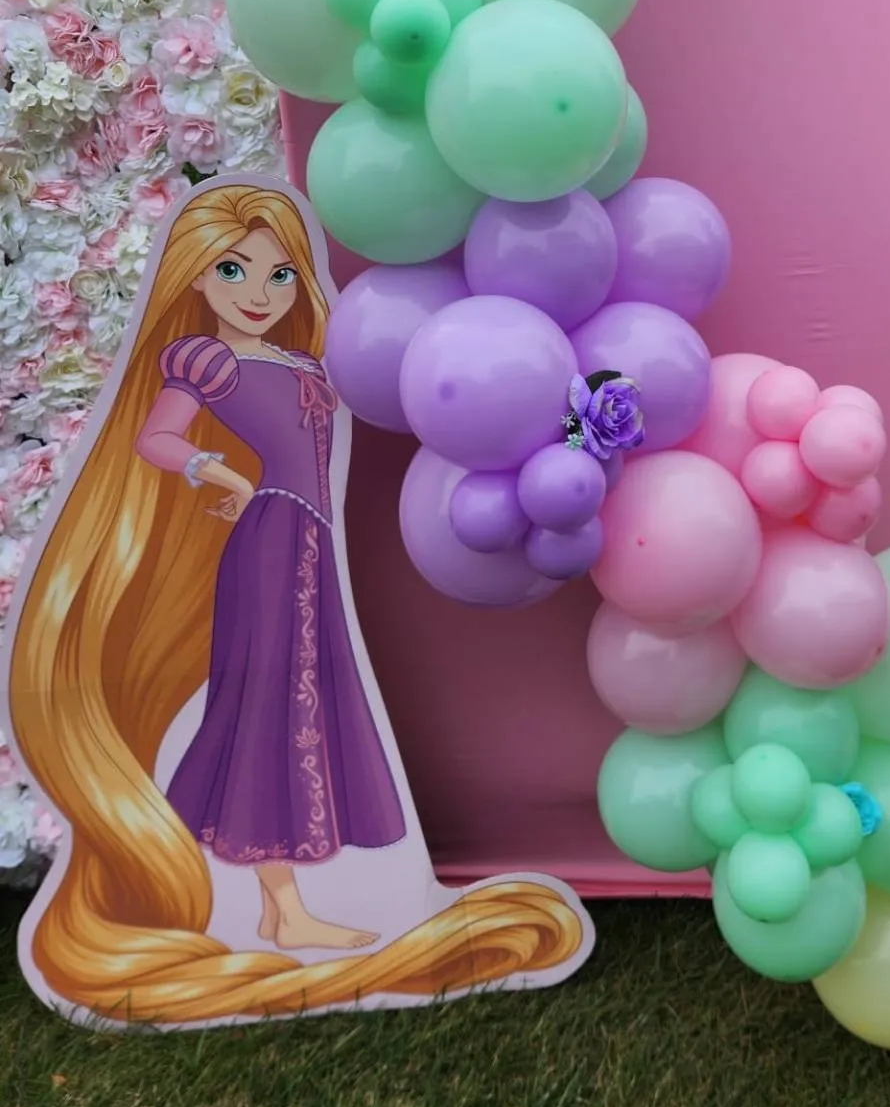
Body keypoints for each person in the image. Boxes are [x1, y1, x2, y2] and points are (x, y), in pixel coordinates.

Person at [9, 183, 584, 1024]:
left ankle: (286, 909)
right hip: (272, 536)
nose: (258, 291)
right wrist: (215, 469)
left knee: (309, 702)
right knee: (271, 707)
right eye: (234, 270)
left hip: (309, 539)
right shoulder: (208, 361)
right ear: (197, 276)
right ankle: (284, 905)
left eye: (279, 274)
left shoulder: (311, 364)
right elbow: (155, 437)